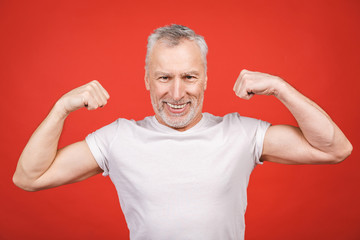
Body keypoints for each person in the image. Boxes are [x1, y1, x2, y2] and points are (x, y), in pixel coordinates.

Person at [13, 24, 352, 240]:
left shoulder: (240, 134)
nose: (176, 94)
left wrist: (280, 88)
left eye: (189, 77)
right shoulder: (118, 138)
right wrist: (62, 108)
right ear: (147, 80)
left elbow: (334, 148)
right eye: (164, 78)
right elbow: (29, 177)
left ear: (205, 79)